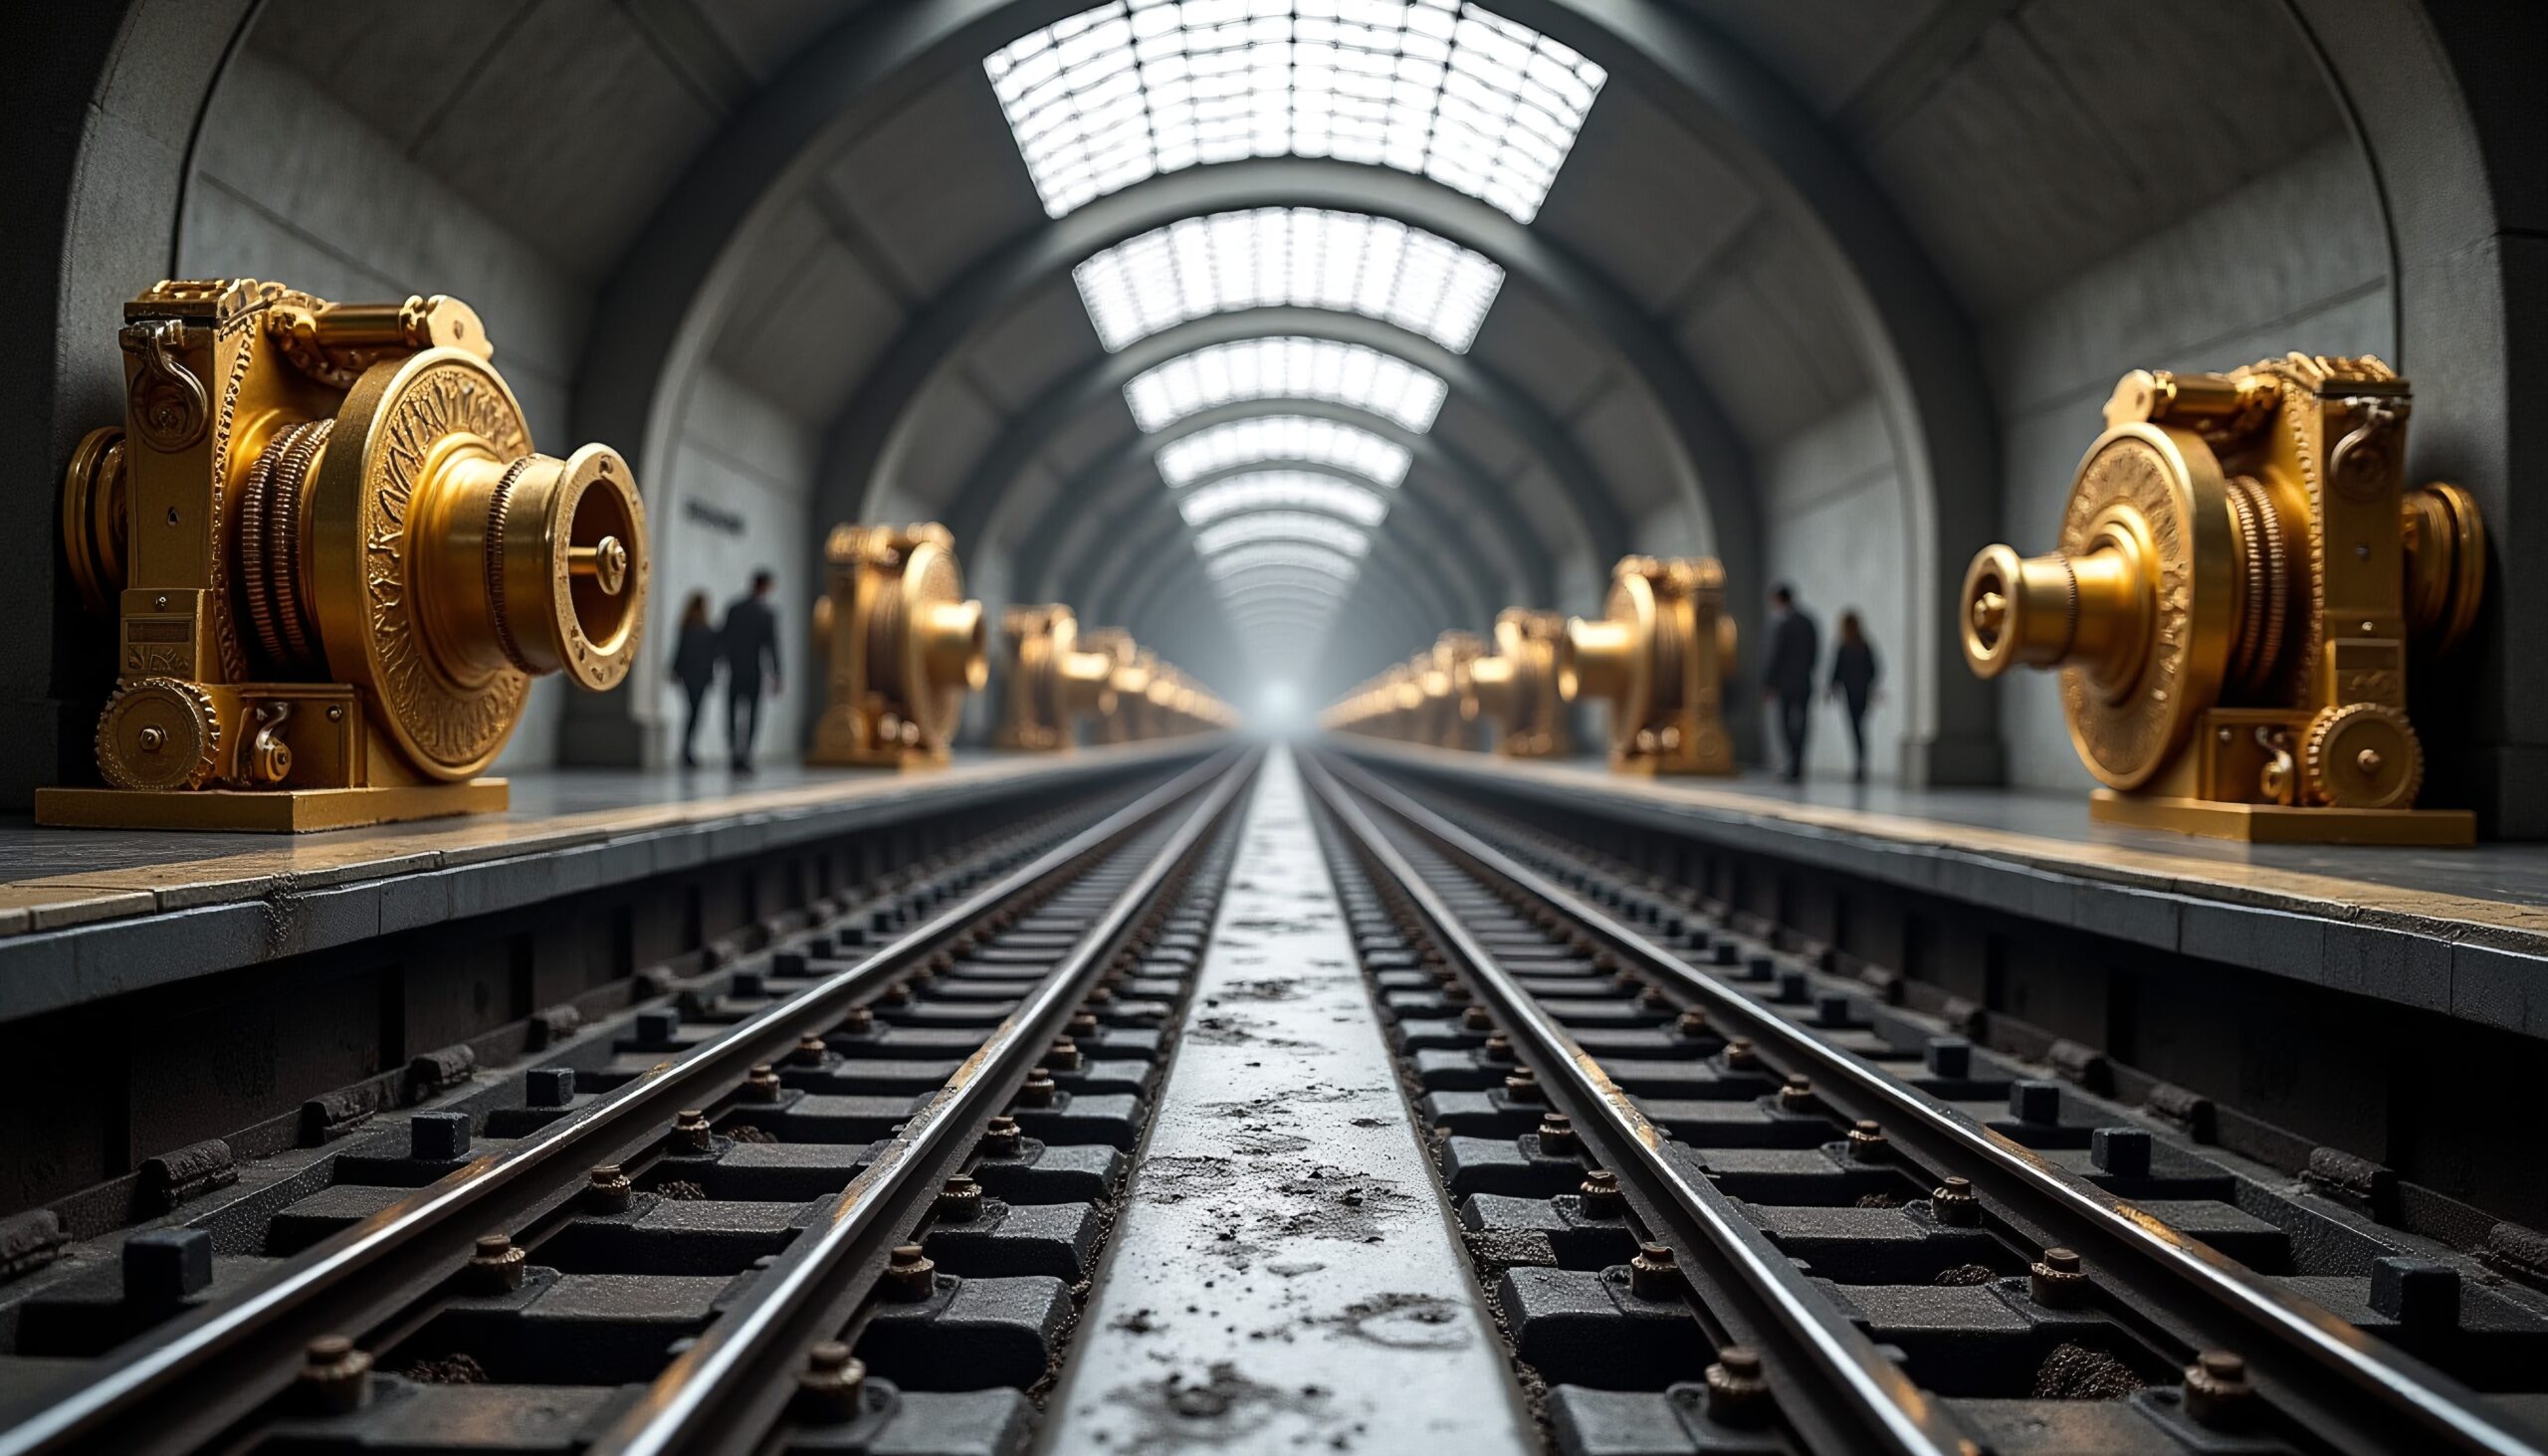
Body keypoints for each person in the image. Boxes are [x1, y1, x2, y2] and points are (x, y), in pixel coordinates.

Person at [720, 569, 782, 773]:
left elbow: (725, 638)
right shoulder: (766, 614)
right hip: (754, 670)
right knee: (752, 715)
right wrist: (777, 674)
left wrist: (719, 662)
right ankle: (745, 754)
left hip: (735, 668)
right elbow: (772, 646)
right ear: (765, 586)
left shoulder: (734, 609)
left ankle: (734, 753)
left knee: (732, 713)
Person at [1761, 583, 1819, 783]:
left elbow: (1775, 656)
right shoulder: (1808, 622)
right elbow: (1814, 653)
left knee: (1785, 724)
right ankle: (1797, 762)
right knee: (1802, 723)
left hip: (1785, 682)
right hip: (1804, 681)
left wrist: (1768, 683)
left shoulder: (1783, 625)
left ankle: (1793, 762)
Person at [669, 592, 721, 769]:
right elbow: (714, 655)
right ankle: (687, 751)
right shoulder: (707, 631)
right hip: (700, 676)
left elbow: (679, 651)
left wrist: (674, 670)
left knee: (692, 713)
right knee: (695, 714)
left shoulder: (687, 628)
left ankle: (687, 749)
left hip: (689, 676)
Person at [1828, 609, 1880, 784]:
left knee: (1856, 728)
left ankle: (1860, 765)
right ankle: (1860, 764)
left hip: (1853, 692)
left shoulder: (1847, 646)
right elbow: (1873, 669)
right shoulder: (1861, 645)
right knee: (1858, 729)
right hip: (1859, 691)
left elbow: (1837, 670)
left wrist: (1833, 687)